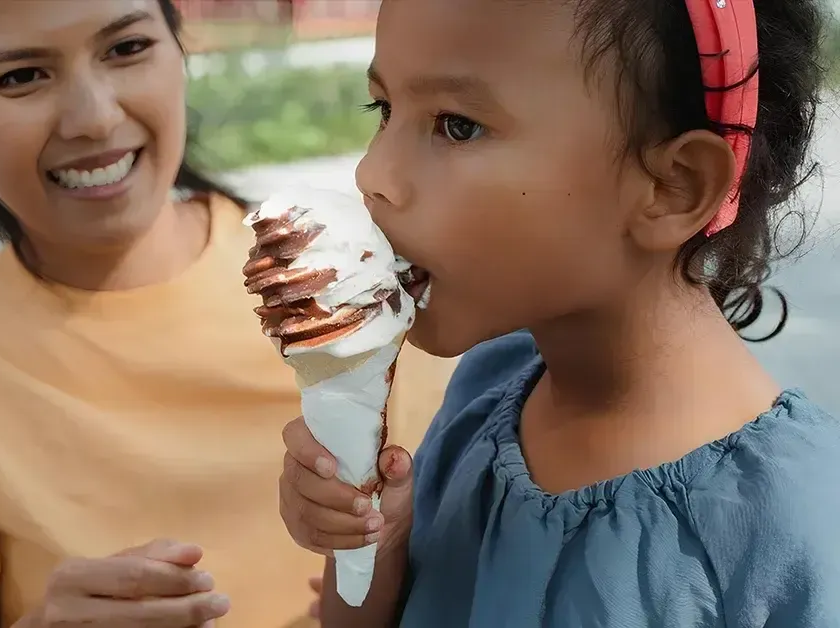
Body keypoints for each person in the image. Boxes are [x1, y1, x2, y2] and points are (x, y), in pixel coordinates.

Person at [0, 1, 454, 627]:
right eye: (20, 76)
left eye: (126, 48)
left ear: (179, 42)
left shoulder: (358, 282)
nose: (95, 118)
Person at [279, 0, 839, 625]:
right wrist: (373, 545)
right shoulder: (483, 393)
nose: (371, 173)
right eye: (384, 110)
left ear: (672, 185)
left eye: (456, 125)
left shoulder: (798, 523)